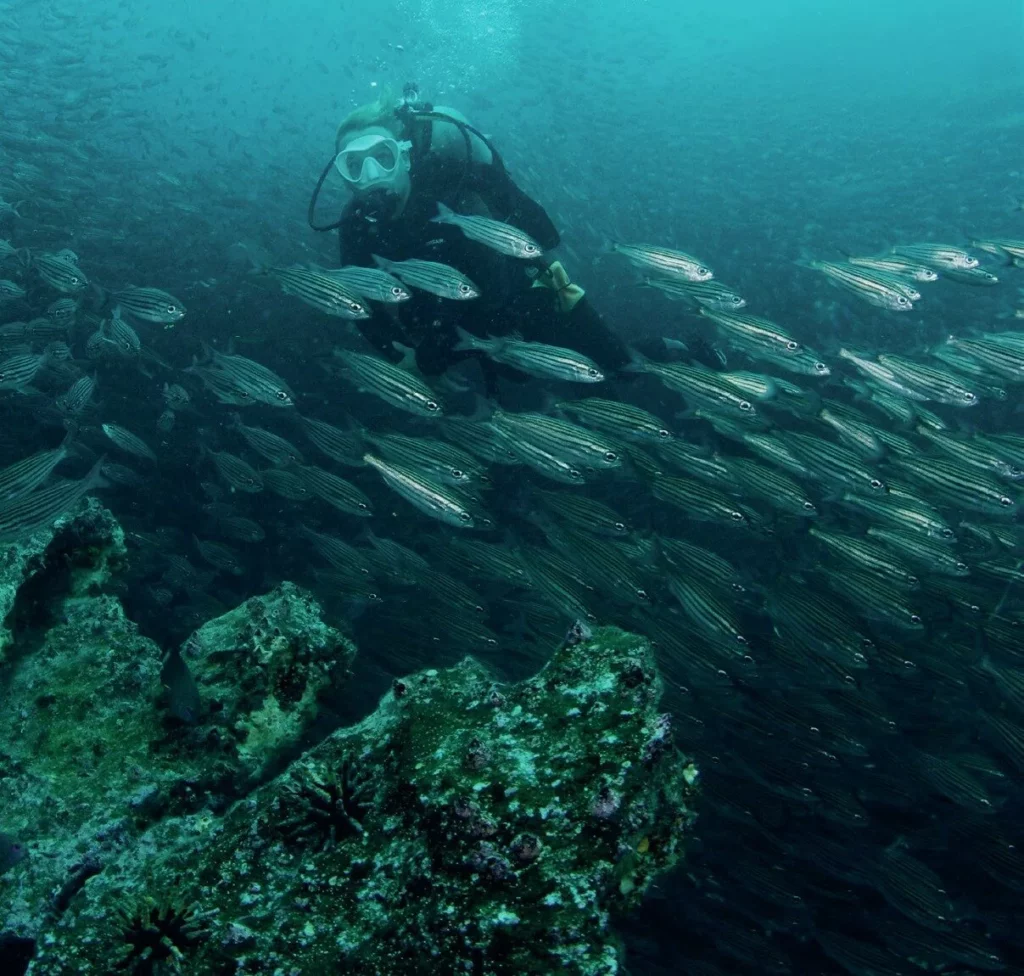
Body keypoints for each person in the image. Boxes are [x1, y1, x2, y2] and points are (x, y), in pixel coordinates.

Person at [309, 85, 630, 387]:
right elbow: (358, 301)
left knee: (617, 367)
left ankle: (664, 351)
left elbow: (495, 280)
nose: (371, 175)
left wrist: (433, 351)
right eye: (354, 165)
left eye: (383, 157)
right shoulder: (355, 222)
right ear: (343, 177)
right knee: (514, 383)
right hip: (450, 325)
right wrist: (401, 357)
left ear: (405, 157)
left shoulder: (453, 189)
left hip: (523, 302)